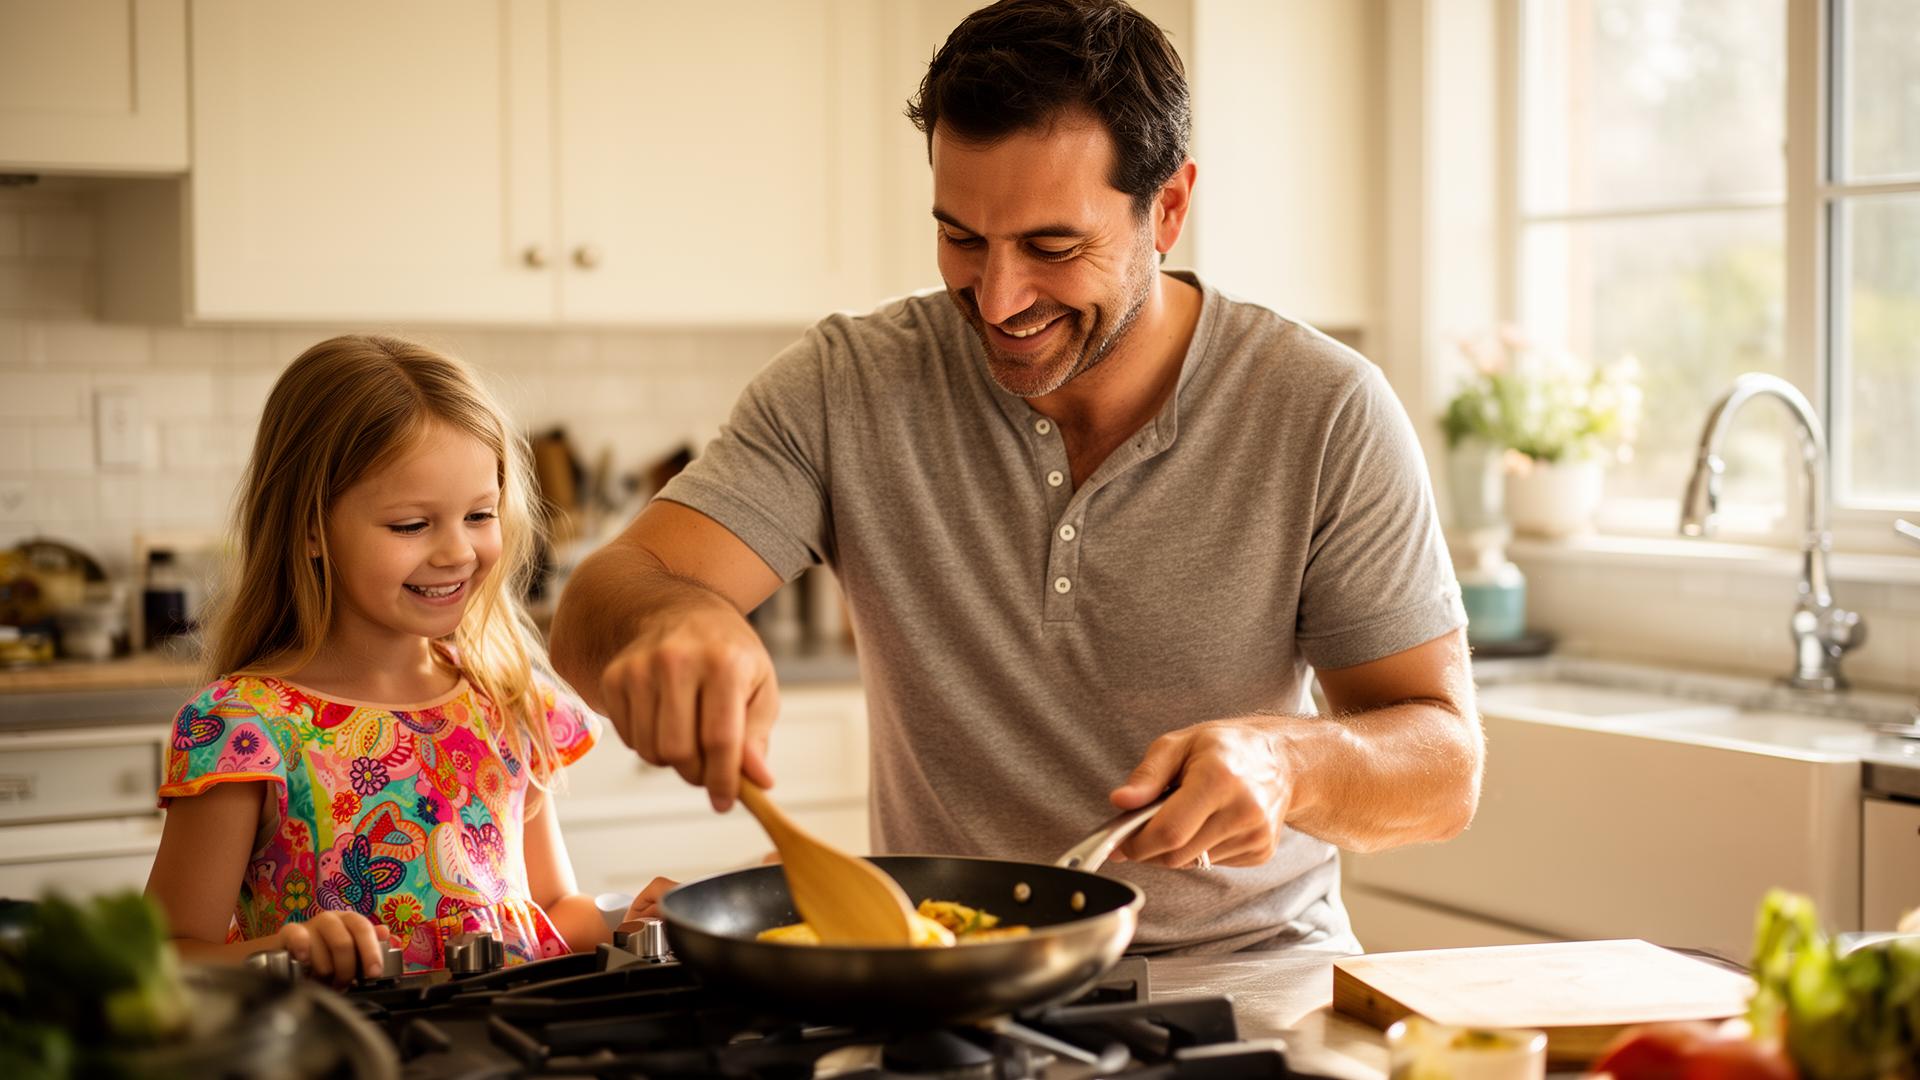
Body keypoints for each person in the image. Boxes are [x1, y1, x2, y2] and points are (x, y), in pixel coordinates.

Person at [549, 0, 1482, 955]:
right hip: (953, 973)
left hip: (1250, 972)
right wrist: (674, 618)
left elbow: (1445, 770)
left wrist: (1293, 764)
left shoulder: (1321, 408)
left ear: (1167, 208)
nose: (998, 300)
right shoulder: (849, 384)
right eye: (961, 237)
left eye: (1052, 246)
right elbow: (596, 609)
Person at [145, 334, 673, 984]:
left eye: (479, 515)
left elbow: (553, 909)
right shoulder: (246, 729)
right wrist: (290, 950)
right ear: (310, 527)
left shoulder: (503, 696)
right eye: (411, 525)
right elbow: (166, 958)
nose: (457, 552)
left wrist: (632, 917)